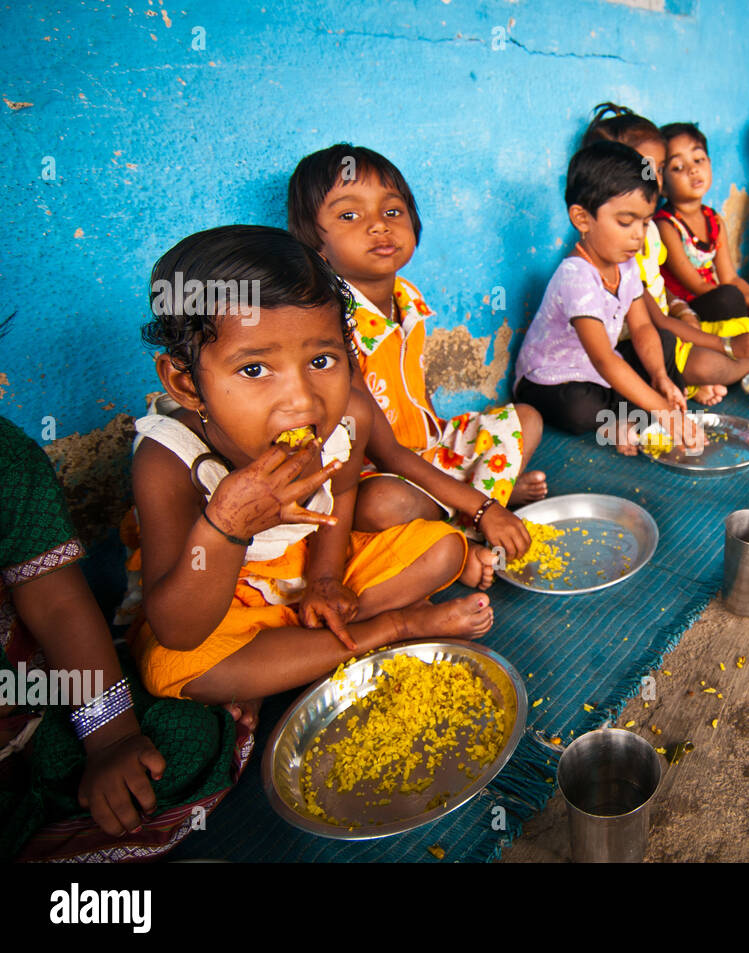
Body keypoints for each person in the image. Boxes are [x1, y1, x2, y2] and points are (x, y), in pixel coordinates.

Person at [124, 226, 494, 713]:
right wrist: (225, 528)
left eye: (321, 359)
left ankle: (292, 654)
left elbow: (340, 497)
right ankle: (391, 629)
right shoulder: (171, 459)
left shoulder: (346, 420)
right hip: (222, 596)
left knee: (444, 549)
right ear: (186, 384)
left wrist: (323, 579)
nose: (302, 400)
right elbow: (177, 627)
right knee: (171, 664)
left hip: (307, 568)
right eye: (255, 369)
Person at [0, 413, 247, 862]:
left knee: (179, 742)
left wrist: (110, 739)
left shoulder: (5, 459)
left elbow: (56, 603)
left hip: (32, 710)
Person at [287, 145, 544, 555]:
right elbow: (384, 450)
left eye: (392, 212)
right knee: (382, 506)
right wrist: (483, 507)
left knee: (526, 418)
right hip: (375, 472)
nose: (379, 227)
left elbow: (418, 400)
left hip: (427, 450)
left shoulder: (406, 298)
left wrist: (449, 449)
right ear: (314, 245)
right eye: (349, 215)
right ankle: (477, 512)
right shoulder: (333, 327)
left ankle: (467, 505)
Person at [512, 140, 701, 455]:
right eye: (626, 222)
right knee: (579, 408)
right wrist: (662, 409)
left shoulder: (626, 265)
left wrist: (659, 377)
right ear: (583, 219)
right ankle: (623, 419)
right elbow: (603, 358)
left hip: (600, 372)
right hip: (551, 381)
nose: (638, 234)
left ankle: (629, 416)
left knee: (662, 342)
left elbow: (641, 328)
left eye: (645, 222)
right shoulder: (576, 276)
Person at [654, 121, 749, 404]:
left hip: (720, 297)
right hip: (691, 308)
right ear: (662, 182)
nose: (692, 170)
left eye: (698, 159)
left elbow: (730, 276)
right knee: (728, 299)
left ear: (710, 163)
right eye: (677, 167)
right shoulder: (666, 226)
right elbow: (698, 286)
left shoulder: (715, 220)